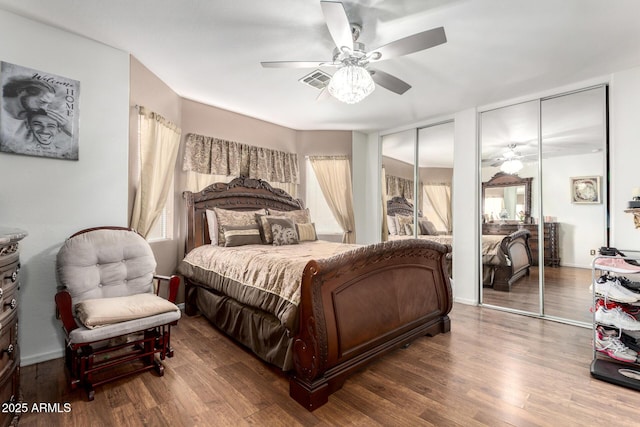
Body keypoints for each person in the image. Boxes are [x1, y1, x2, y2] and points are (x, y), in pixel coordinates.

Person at [0, 77, 56, 148]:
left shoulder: (35, 119)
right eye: (42, 102)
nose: (45, 108)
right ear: (22, 92)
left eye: (48, 104)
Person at [7, 108, 77, 160]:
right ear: (28, 125)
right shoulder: (16, 149)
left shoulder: (67, 152)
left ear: (58, 129)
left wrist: (71, 130)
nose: (44, 130)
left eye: (51, 126)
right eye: (37, 124)